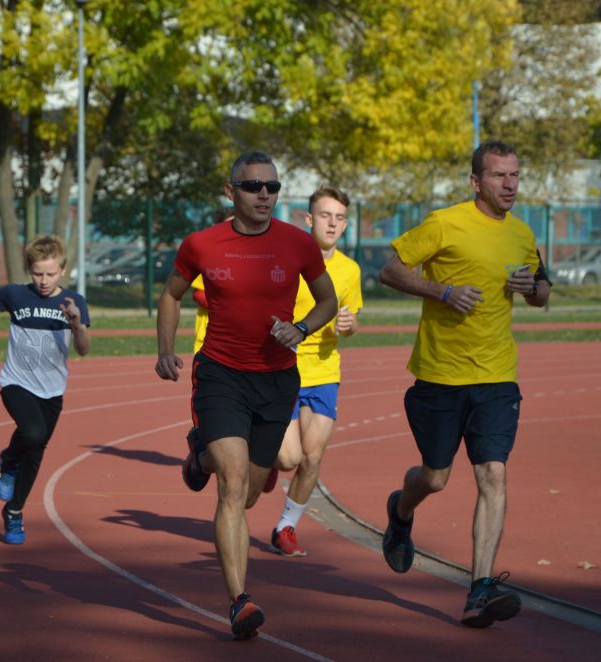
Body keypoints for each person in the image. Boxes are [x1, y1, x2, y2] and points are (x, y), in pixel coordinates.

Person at [155, 151, 337, 640]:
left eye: (272, 187)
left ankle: (201, 455)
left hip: (277, 380)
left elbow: (327, 300)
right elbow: (171, 294)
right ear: (230, 190)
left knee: (253, 493)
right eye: (254, 186)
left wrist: (301, 329)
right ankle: (239, 601)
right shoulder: (201, 244)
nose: (264, 195)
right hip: (221, 376)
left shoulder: (298, 243)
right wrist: (165, 350)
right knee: (233, 487)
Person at [378, 140, 551, 629]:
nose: (510, 184)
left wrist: (532, 289)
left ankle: (479, 589)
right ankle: (401, 511)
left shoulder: (522, 234)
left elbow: (542, 292)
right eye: (499, 175)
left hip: (497, 377)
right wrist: (442, 291)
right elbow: (390, 270)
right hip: (440, 375)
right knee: (435, 477)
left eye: (515, 175)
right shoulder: (445, 223)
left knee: (493, 474)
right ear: (476, 181)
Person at [0, 235, 90, 545]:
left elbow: (83, 349)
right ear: (28, 270)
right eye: (37, 273)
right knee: (32, 432)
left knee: (36, 451)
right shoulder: (15, 295)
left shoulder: (73, 302)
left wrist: (76, 323)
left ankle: (14, 511)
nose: (44, 281)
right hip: (16, 382)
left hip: (52, 391)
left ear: (63, 270)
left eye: (51, 274)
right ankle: (8, 461)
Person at [268, 185, 362, 558]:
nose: (332, 224)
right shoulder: (287, 259)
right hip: (283, 369)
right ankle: (269, 458)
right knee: (288, 459)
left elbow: (350, 321)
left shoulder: (350, 270)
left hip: (324, 371)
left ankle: (286, 527)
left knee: (312, 456)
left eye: (339, 218)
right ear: (309, 219)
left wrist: (349, 326)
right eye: (325, 216)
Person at [191, 207, 233, 355]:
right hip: (210, 336)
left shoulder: (255, 256)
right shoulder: (208, 254)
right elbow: (198, 294)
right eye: (228, 225)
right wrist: (230, 304)